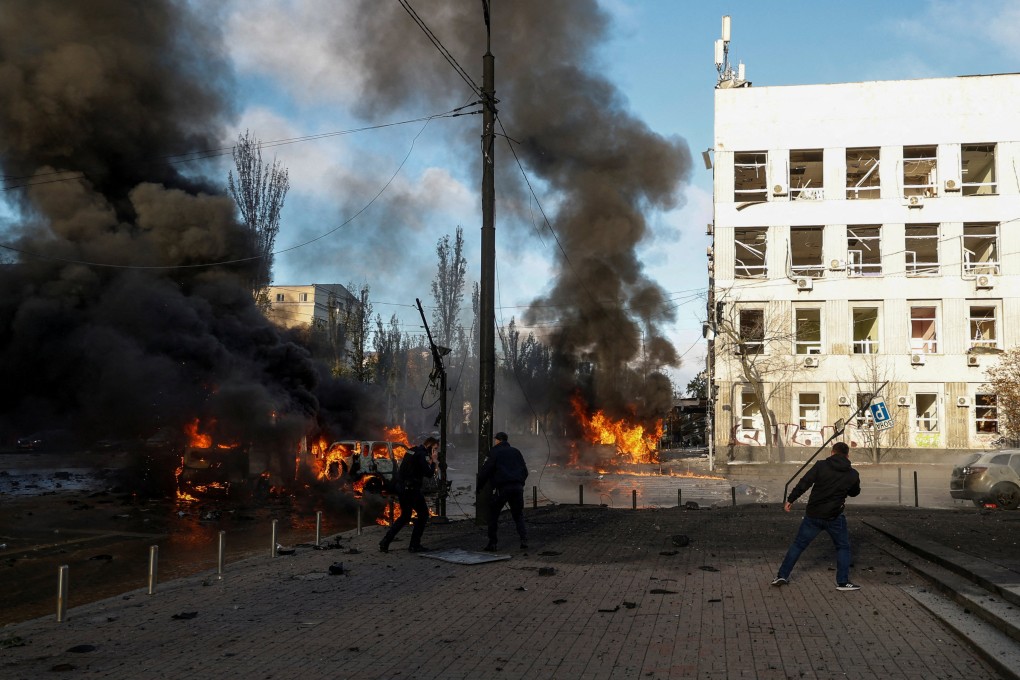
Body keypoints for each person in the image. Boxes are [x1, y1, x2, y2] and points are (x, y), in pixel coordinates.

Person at [772, 441, 862, 591]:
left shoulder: (821, 465)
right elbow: (854, 492)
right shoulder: (852, 474)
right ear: (847, 455)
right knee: (843, 547)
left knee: (798, 545)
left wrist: (791, 499)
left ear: (832, 452)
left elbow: (804, 482)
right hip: (835, 517)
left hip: (813, 515)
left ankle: (782, 575)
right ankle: (842, 582)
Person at [379, 436, 438, 553]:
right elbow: (429, 473)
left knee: (405, 516)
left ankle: (385, 541)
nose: (436, 451)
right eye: (435, 449)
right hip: (412, 490)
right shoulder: (422, 454)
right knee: (423, 515)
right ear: (430, 446)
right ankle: (414, 545)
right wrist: (434, 462)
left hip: (402, 488)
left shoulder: (411, 450)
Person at [478, 432, 529, 551]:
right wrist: (520, 483)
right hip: (517, 488)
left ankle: (492, 543)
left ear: (498, 440)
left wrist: (479, 486)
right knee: (518, 515)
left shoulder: (494, 452)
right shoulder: (516, 451)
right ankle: (524, 539)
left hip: (503, 488)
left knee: (493, 514)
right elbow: (525, 471)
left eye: (495, 439)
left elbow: (485, 471)